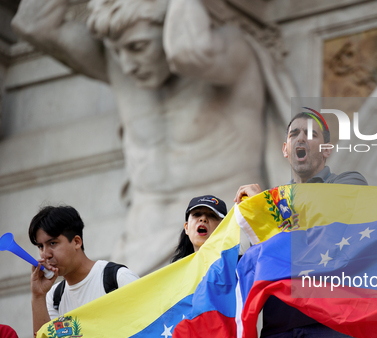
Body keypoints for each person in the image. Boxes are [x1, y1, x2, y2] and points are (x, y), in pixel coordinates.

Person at [11, 0, 292, 274]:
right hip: (139, 246)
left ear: (168, 26)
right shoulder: (121, 61)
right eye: (118, 50)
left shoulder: (230, 52)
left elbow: (186, 51)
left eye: (138, 47)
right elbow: (33, 23)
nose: (128, 64)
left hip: (221, 235)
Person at [235, 112, 367, 338]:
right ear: (285, 149)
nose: (302, 138)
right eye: (294, 134)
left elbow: (325, 227)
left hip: (332, 331)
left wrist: (265, 208)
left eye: (312, 133)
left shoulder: (350, 183)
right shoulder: (269, 206)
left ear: (326, 149)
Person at [29, 206, 139, 338]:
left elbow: (151, 330)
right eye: (40, 246)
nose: (45, 254)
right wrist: (38, 296)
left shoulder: (117, 278)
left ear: (77, 242)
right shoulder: (53, 297)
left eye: (53, 243)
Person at [171, 195, 256, 338]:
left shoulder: (237, 266)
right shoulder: (171, 277)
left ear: (223, 228)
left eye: (211, 216)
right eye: (197, 215)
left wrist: (253, 213)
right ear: (186, 227)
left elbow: (262, 259)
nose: (203, 219)